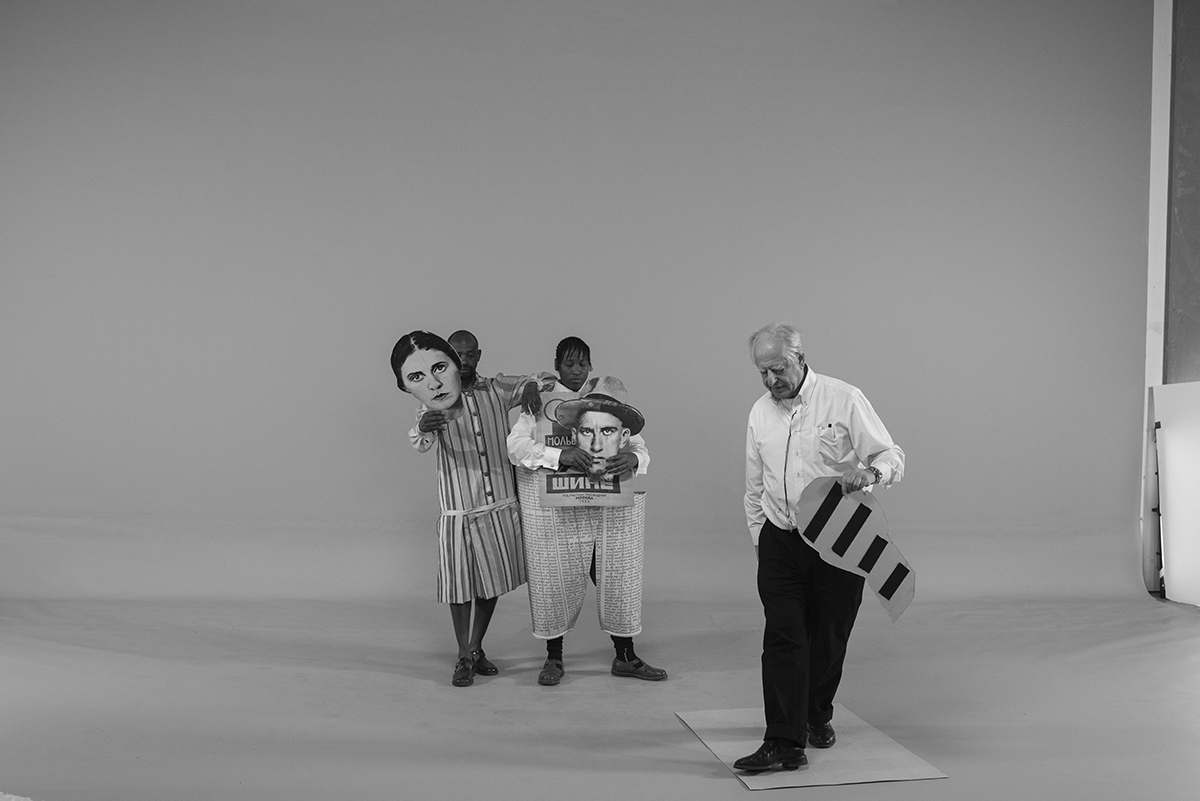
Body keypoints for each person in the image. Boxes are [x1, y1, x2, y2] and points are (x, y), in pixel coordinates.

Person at [734, 322, 905, 772]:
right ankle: (784, 742)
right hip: (780, 539)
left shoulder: (844, 399)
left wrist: (871, 474)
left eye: (779, 369)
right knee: (783, 634)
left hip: (837, 543)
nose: (772, 381)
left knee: (829, 635)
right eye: (763, 373)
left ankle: (816, 715)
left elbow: (891, 456)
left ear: (800, 358)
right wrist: (761, 541)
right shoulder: (759, 413)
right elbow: (755, 487)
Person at [507, 337, 666, 685]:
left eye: (582, 364)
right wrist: (558, 455)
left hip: (604, 510)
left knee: (615, 577)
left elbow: (637, 443)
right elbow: (515, 447)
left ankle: (626, 656)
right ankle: (553, 659)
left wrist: (634, 457)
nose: (576, 370)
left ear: (591, 366)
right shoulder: (540, 399)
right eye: (568, 364)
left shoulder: (606, 398)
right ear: (557, 365)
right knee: (554, 577)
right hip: (557, 512)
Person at [393, 329, 541, 687]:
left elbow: (534, 382)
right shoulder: (434, 397)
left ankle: (473, 649)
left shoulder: (497, 389)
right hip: (459, 505)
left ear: (478, 354)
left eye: (470, 353)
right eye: (456, 355)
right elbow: (420, 440)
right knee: (461, 585)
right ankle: (465, 653)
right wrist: (424, 426)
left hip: (499, 503)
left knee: (492, 582)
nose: (464, 360)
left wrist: (533, 388)